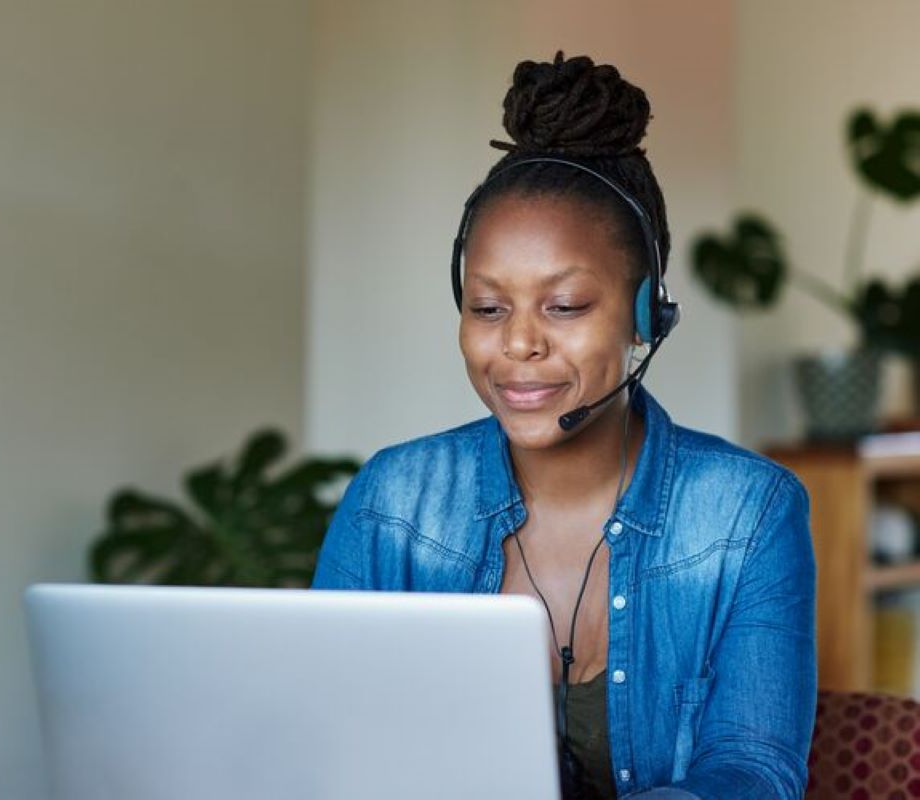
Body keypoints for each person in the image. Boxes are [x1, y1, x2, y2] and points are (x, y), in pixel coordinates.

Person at [311, 51, 817, 800]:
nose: (518, 344)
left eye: (565, 306)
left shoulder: (749, 514)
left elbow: (753, 772)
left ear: (648, 314)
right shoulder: (393, 505)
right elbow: (322, 743)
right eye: (487, 308)